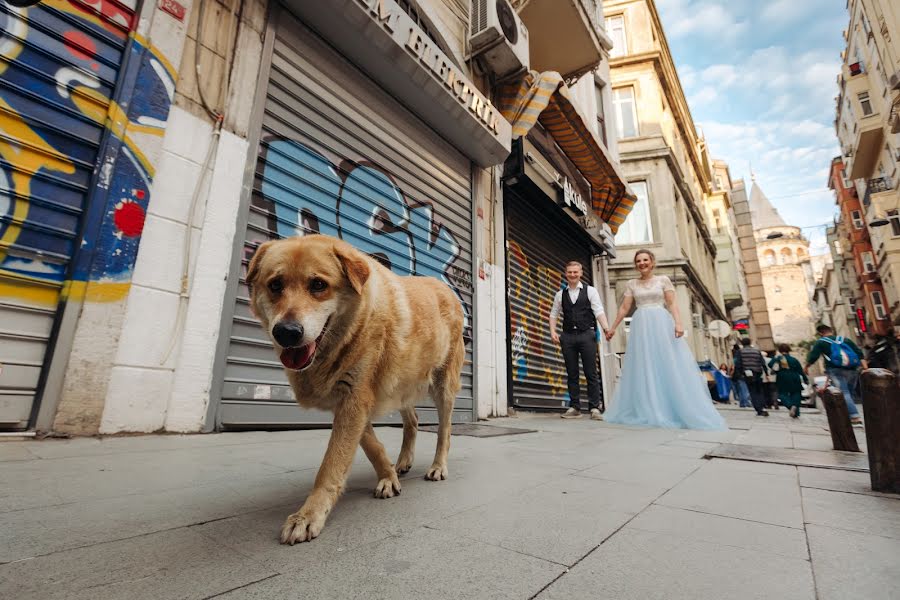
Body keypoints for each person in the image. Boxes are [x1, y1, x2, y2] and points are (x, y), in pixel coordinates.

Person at [603, 250, 727, 430]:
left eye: (645, 260)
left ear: (652, 262)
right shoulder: (632, 283)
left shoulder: (663, 280)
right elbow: (624, 308)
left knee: (666, 361)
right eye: (638, 261)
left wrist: (678, 324)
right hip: (641, 324)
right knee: (644, 364)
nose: (642, 263)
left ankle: (672, 407)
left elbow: (672, 304)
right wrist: (613, 327)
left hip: (661, 322)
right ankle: (648, 406)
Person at [549, 260, 610, 420]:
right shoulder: (560, 294)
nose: (572, 275)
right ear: (566, 273)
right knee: (572, 373)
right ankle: (575, 407)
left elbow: (598, 311)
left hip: (586, 335)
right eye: (569, 272)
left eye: (575, 272)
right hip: (567, 336)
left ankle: (594, 408)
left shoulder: (590, 291)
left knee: (591, 373)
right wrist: (553, 331)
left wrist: (605, 328)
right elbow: (554, 314)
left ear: (581, 273)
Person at [805, 324, 867, 425]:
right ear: (831, 330)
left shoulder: (821, 342)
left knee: (844, 392)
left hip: (835, 370)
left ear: (820, 333)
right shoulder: (845, 340)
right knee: (849, 394)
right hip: (852, 369)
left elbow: (813, 356)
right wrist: (865, 367)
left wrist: (806, 366)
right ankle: (849, 414)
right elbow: (859, 353)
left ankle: (854, 416)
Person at [769, 344, 808, 418]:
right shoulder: (794, 359)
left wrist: (777, 362)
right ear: (789, 350)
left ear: (780, 351)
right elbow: (800, 370)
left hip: (782, 378)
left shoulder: (778, 359)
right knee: (796, 394)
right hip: (794, 378)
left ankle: (790, 406)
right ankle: (796, 412)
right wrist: (805, 379)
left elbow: (770, 364)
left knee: (782, 394)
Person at [733, 337, 770, 417]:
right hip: (758, 372)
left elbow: (738, 364)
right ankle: (762, 406)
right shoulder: (756, 351)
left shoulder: (740, 352)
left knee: (752, 391)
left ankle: (759, 409)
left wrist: (738, 374)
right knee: (759, 390)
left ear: (742, 344)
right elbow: (762, 363)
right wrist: (766, 373)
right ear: (750, 343)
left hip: (747, 374)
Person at [731, 343, 752, 408]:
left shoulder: (736, 358)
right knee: (745, 389)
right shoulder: (743, 357)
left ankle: (742, 403)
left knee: (741, 389)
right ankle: (745, 402)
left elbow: (735, 366)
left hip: (738, 375)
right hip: (744, 374)